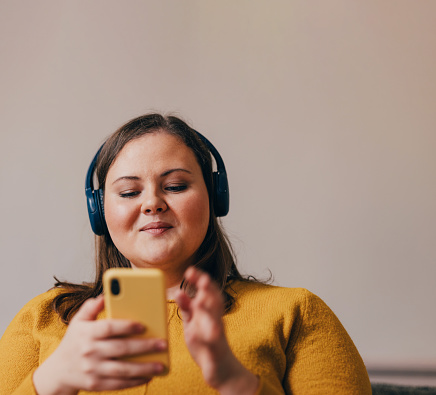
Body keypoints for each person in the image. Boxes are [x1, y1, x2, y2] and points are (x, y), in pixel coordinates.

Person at [0, 113, 372, 394]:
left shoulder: (295, 313)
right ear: (99, 212)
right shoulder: (43, 318)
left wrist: (233, 380)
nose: (152, 204)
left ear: (214, 197)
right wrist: (50, 380)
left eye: (175, 185)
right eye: (129, 192)